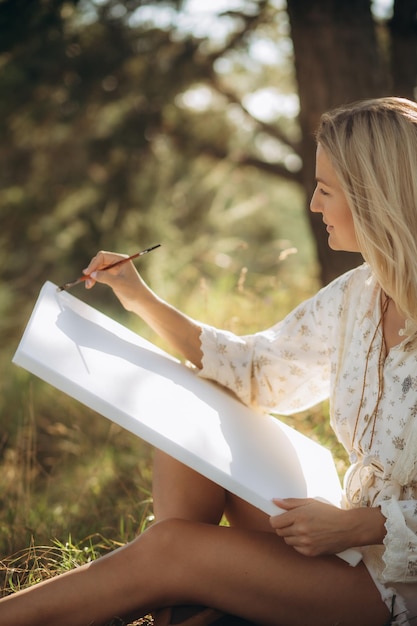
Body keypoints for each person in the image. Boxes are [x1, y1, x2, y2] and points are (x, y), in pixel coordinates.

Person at [1, 96, 416, 626]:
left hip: (394, 584)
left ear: (373, 198)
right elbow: (257, 371)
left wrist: (363, 526)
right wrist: (141, 300)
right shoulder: (359, 294)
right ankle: (185, 610)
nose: (313, 205)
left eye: (325, 190)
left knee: (170, 548)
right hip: (345, 536)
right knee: (191, 421)